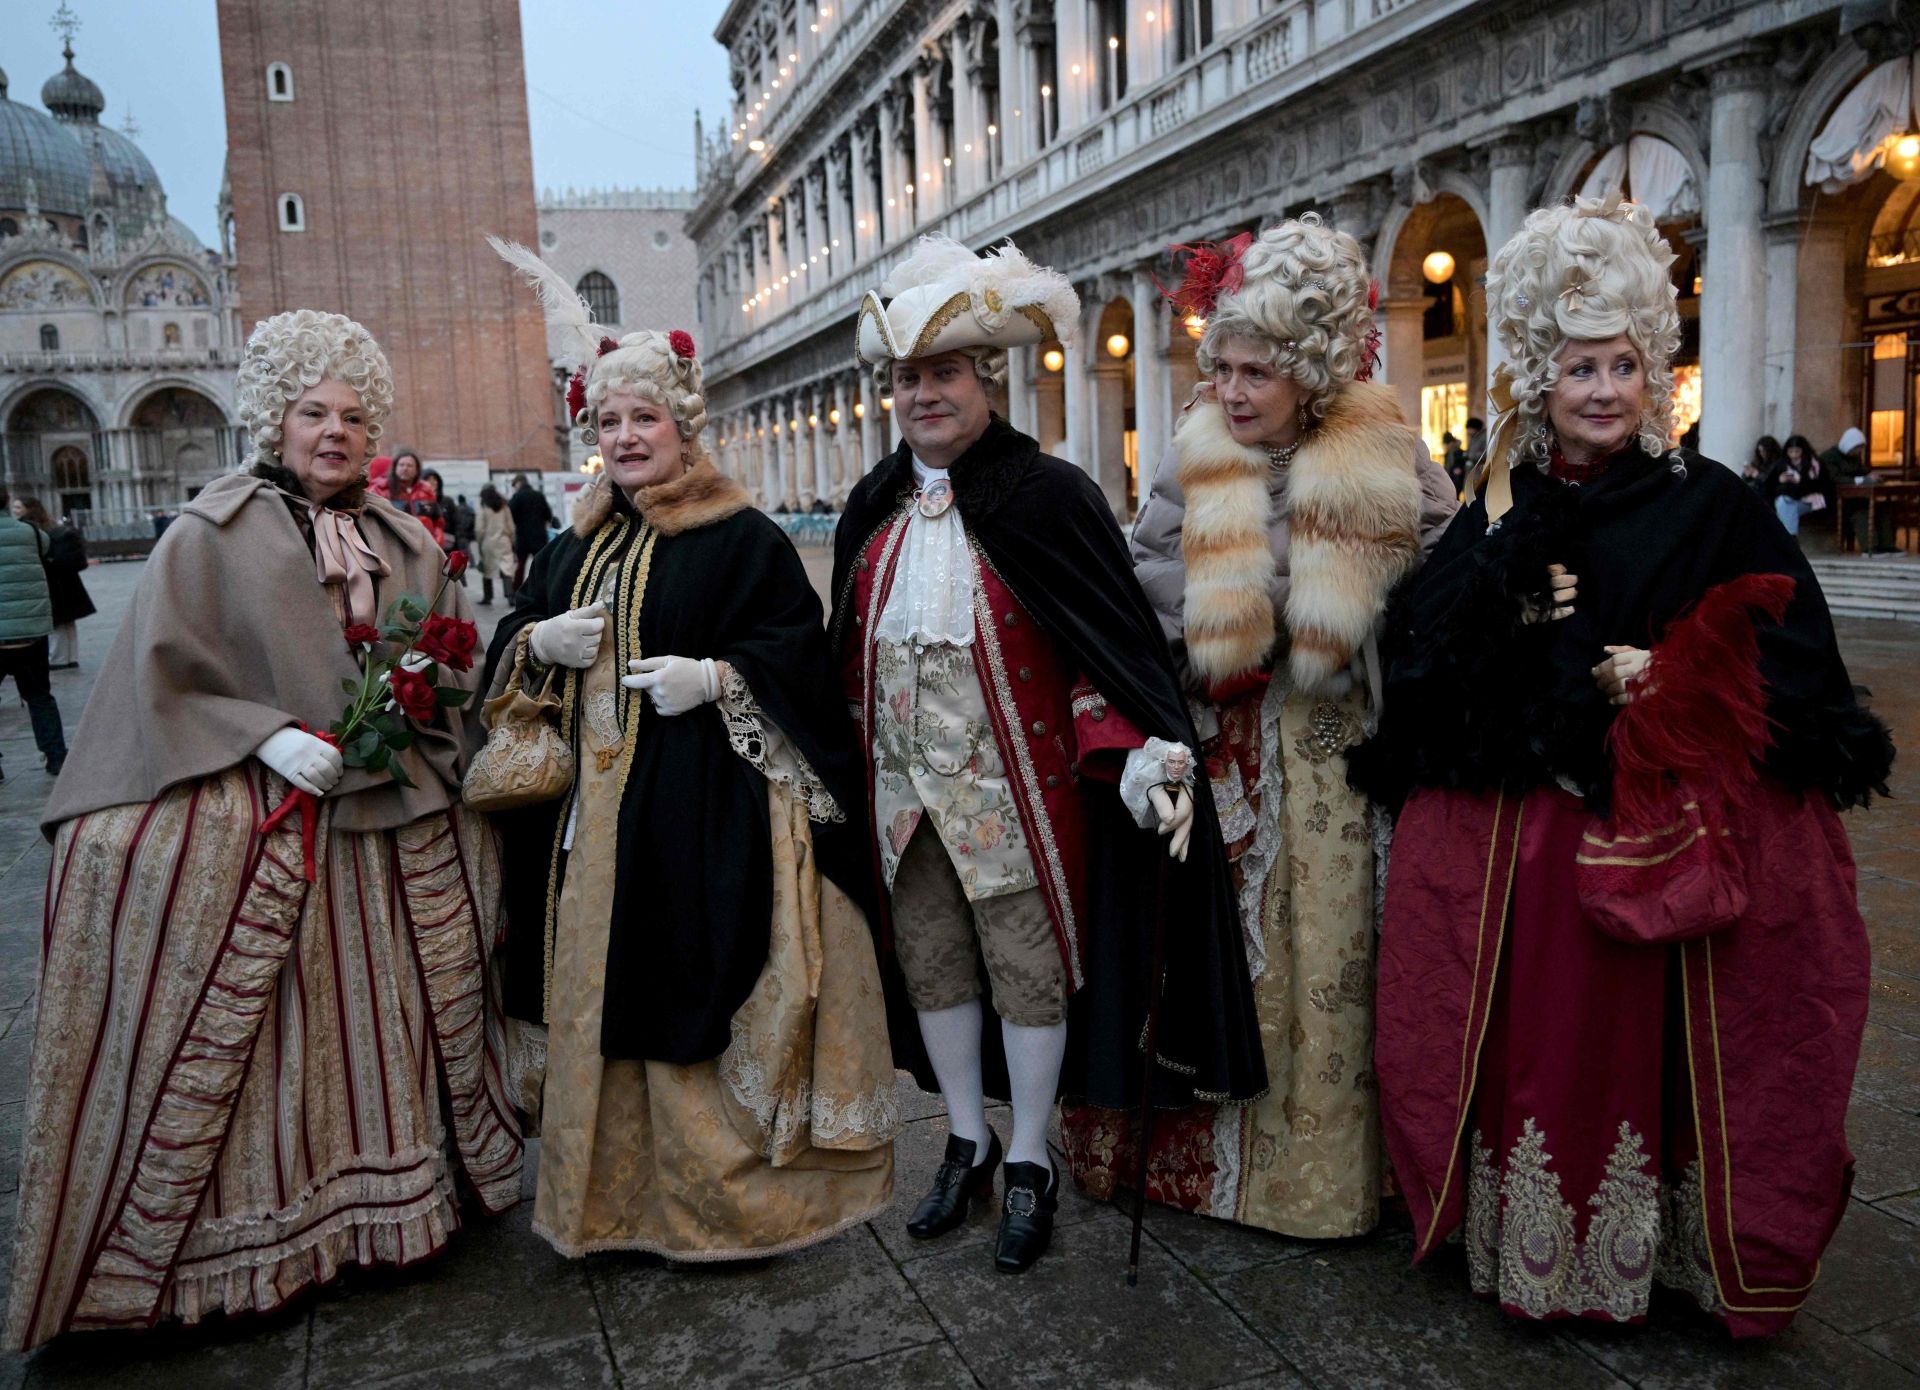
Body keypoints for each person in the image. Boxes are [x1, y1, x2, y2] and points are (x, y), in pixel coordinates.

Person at [1348, 196, 1892, 1337]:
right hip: (1537, 865)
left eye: (1626, 365)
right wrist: (1502, 616)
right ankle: (1543, 1253)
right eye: (1580, 366)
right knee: (1552, 1052)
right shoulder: (1503, 511)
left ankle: (1671, 1259)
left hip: (1675, 851)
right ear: (1541, 377)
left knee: (1666, 1063)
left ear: (1658, 375)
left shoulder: (1718, 507)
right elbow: (1423, 659)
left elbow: (1798, 657)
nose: (1603, 389)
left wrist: (1682, 676)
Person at [6, 310, 521, 1350]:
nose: (333, 430)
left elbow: (446, 667)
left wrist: (432, 695)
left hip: (392, 825)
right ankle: (275, 1235)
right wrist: (266, 736)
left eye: (351, 414)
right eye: (312, 411)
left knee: (392, 1021)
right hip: (281, 833)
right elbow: (163, 674)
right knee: (288, 1033)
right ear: (273, 418)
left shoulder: (406, 536)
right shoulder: (211, 530)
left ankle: (399, 1207)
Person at [831, 235, 1267, 1274]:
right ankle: (966, 1141)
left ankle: (1029, 1155)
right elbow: (841, 659)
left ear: (985, 381)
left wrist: (1140, 755)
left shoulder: (1049, 495)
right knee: (931, 964)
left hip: (1013, 802)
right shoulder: (870, 507)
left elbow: (1102, 655)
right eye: (908, 379)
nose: (924, 396)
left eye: (944, 374)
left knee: (1028, 973)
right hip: (903, 803)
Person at [485, 240, 897, 1261]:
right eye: (609, 422)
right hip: (589, 829)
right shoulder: (571, 547)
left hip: (696, 810)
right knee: (599, 1000)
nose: (626, 438)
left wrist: (718, 680)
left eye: (644, 419)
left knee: (682, 993)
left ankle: (711, 1211)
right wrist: (537, 639)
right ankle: (606, 1208)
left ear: (681, 428)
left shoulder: (742, 536)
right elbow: (511, 649)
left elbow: (797, 655)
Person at [1060, 216, 1456, 1240]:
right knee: (1219, 956)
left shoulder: (1387, 452)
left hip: (1337, 760)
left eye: (1257, 374)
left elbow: (1447, 588)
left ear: (1313, 375)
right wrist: (1226, 620)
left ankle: (1322, 1178)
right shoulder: (1192, 455)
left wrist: (1361, 610)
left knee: (1330, 959)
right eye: (1221, 367)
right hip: (1225, 743)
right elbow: (1141, 580)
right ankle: (1214, 1169)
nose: (1231, 393)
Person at [0, 486, 67, 781]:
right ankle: (56, 757)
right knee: (40, 697)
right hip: (30, 632)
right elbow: (46, 548)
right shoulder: (29, 532)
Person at [11, 495, 93, 671]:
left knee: (56, 622)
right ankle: (71, 657)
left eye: (18, 507)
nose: (14, 511)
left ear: (29, 509)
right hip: (67, 582)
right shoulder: (54, 527)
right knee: (67, 622)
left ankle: (58, 658)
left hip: (53, 582)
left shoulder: (31, 529)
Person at [1823, 426, 1896, 552]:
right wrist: (1861, 480)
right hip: (1836, 500)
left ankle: (1887, 545)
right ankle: (1870, 547)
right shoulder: (1830, 457)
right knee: (1861, 511)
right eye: (1857, 448)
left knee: (1880, 509)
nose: (1859, 451)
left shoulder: (1854, 458)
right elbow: (1835, 479)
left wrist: (1872, 477)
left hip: (1856, 497)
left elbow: (1862, 471)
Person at [1770, 433, 1835, 537]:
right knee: (1784, 503)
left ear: (1803, 451)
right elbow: (1771, 486)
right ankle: (1791, 538)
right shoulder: (1782, 464)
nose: (1794, 455)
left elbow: (1820, 485)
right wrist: (1780, 480)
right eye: (1791, 452)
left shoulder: (1814, 465)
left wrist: (1799, 481)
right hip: (1788, 499)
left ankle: (1789, 539)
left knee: (1784, 505)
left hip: (1812, 500)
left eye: (1797, 451)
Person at [380, 448, 446, 547]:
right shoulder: (383, 490)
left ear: (416, 470)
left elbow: (438, 520)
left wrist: (438, 539)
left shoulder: (426, 490)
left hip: (425, 546)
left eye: (409, 465)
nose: (405, 468)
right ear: (395, 467)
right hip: (395, 546)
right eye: (401, 465)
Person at [508, 472, 554, 592]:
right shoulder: (539, 495)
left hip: (522, 537)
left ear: (518, 483)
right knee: (541, 565)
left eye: (515, 485)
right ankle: (543, 589)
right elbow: (548, 515)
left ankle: (516, 591)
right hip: (539, 536)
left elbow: (510, 517)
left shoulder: (517, 497)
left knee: (520, 566)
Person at [474, 483, 513, 605]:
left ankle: (488, 596)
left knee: (487, 570)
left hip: (488, 542)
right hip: (503, 540)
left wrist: (479, 541)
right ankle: (510, 596)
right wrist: (511, 538)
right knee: (506, 569)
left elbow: (479, 528)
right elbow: (511, 525)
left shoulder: (483, 506)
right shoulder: (504, 505)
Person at [1441, 429, 1469, 494]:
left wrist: (1460, 469)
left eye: (1446, 444)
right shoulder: (1448, 453)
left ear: (1451, 443)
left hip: (1456, 481)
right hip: (1450, 480)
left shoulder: (1459, 453)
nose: (1446, 446)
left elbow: (1464, 465)